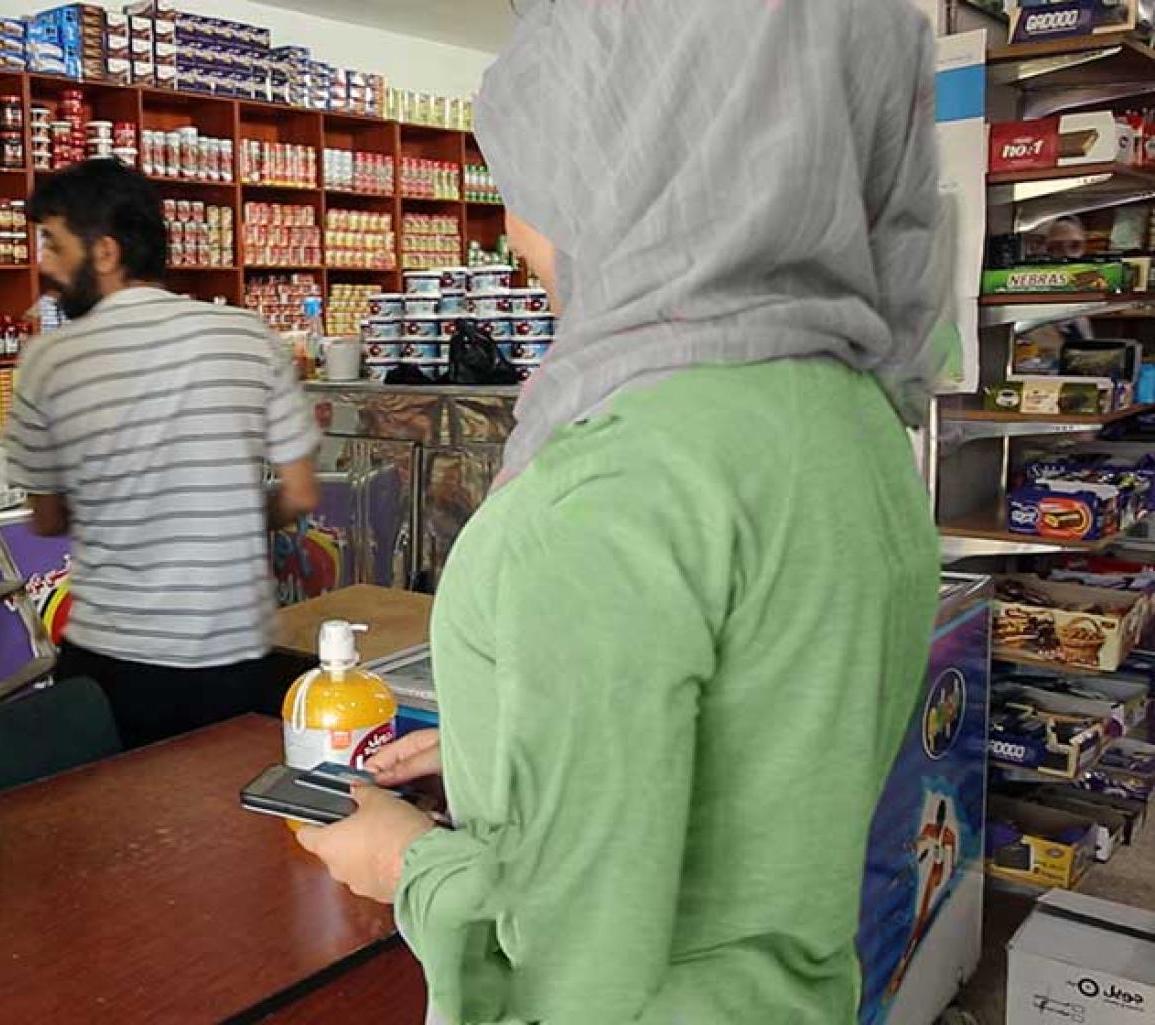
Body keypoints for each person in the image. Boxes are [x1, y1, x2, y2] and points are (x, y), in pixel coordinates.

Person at [297, 2, 950, 1023]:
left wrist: (407, 861)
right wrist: (506, 734)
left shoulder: (613, 480)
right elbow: (764, 736)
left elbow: (573, 972)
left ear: (617, 157)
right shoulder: (858, 422)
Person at [4, 159, 321, 749]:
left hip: (113, 661)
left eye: (52, 242)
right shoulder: (251, 336)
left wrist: (126, 505)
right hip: (236, 656)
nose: (43, 263)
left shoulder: (49, 360)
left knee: (112, 833)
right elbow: (301, 493)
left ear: (105, 253)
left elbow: (47, 518)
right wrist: (219, 513)